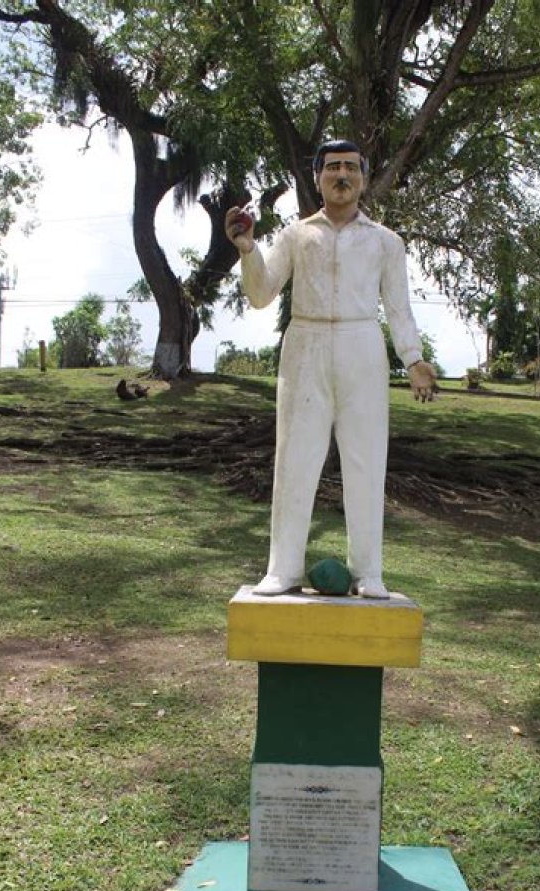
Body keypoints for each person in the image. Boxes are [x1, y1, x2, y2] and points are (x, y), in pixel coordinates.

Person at [225, 139, 436, 599]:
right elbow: (261, 294)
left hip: (363, 347)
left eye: (351, 168)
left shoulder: (385, 242)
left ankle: (368, 571)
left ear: (363, 176)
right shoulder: (295, 235)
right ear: (317, 177)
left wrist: (413, 359)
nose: (342, 176)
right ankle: (283, 568)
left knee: (366, 461)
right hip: (306, 345)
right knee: (295, 460)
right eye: (333, 167)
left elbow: (398, 307)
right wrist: (247, 249)